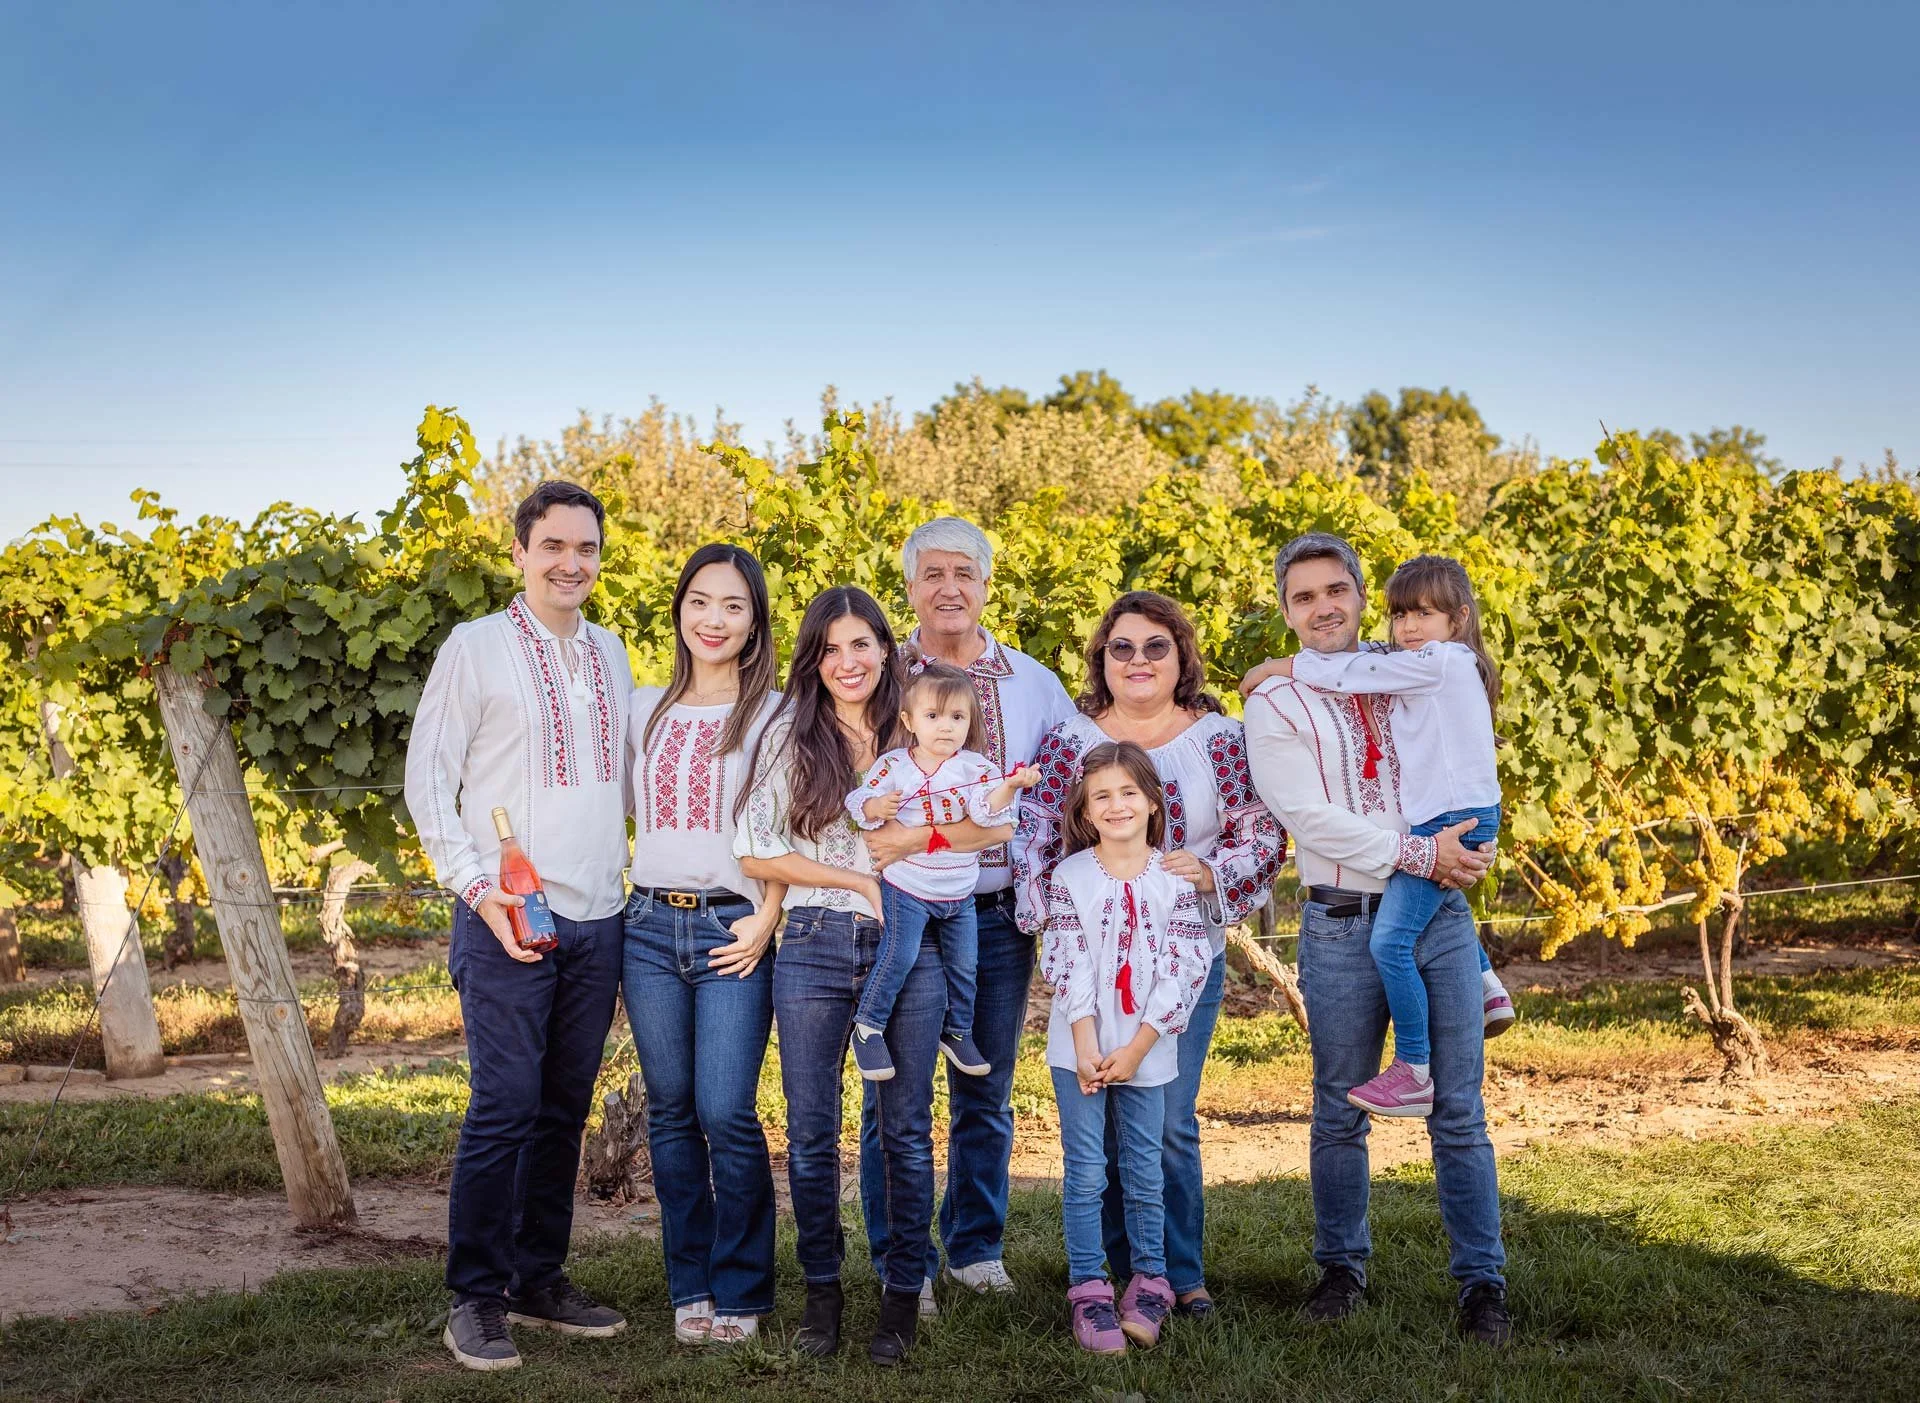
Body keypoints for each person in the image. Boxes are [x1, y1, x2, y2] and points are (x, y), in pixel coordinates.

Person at [1239, 531, 1512, 1346]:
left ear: (1362, 597)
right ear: (1286, 610)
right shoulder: (1274, 703)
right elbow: (1308, 816)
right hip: (1339, 920)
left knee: (1459, 1110)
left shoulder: (1415, 672)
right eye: (1303, 596)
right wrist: (1423, 850)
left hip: (1435, 909)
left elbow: (1456, 767)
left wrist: (1455, 846)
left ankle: (1482, 1283)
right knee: (1338, 1107)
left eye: (1336, 591)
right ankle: (1341, 1268)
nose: (1323, 607)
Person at [405, 481, 635, 1373]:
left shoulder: (612, 653)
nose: (571, 563)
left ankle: (539, 1279)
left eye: (586, 548)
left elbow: (623, 781)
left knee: (561, 1110)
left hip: (598, 917)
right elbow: (429, 779)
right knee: (502, 1105)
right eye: (554, 546)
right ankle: (476, 1295)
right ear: (521, 551)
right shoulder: (477, 648)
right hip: (504, 917)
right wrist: (472, 886)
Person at [1014, 590, 1285, 1319]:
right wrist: (1046, 903)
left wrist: (1212, 872)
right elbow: (1036, 824)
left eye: (1155, 646)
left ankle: (1177, 1273)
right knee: (1097, 1109)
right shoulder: (1071, 738)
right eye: (1122, 647)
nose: (1138, 660)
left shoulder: (1220, 739)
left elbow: (1260, 833)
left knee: (1164, 1113)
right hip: (1093, 955)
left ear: (1181, 657)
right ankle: (1109, 1271)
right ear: (1102, 658)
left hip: (1181, 951)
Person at [859, 516, 1077, 1301]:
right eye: (933, 574)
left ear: (987, 585)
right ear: (911, 587)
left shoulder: (1034, 682)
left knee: (985, 1083)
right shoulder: (882, 679)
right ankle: (900, 1259)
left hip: (997, 915)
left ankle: (975, 1244)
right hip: (910, 907)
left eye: (965, 573)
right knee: (898, 1092)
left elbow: (1053, 796)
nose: (949, 588)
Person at [734, 586, 944, 1366]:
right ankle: (822, 1291)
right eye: (830, 648)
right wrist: (858, 882)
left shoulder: (923, 727)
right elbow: (754, 848)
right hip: (819, 940)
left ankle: (900, 1296)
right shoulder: (794, 735)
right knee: (813, 1130)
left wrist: (921, 842)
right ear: (813, 661)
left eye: (862, 644)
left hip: (912, 941)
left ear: (888, 649)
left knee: (907, 1129)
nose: (847, 661)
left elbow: (979, 822)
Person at [1264, 554, 1512, 1117]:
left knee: (1390, 942)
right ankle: (1485, 981)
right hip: (1449, 820)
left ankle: (1414, 1069)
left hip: (1452, 820)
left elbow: (1350, 670)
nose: (1409, 628)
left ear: (1461, 618)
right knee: (1431, 894)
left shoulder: (1439, 661)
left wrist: (1281, 666)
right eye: (1401, 616)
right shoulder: (1424, 660)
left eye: (1424, 614)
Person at [620, 543, 784, 1345]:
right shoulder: (643, 706)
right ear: (679, 609)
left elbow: (801, 819)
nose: (713, 619)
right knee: (673, 1112)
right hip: (647, 926)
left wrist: (771, 912)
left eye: (733, 606)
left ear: (754, 624)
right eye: (700, 601)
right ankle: (691, 1282)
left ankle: (745, 1287)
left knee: (726, 1109)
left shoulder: (776, 713)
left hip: (734, 927)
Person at [1043, 741, 1213, 1355]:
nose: (1117, 806)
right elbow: (1068, 960)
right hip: (1080, 1050)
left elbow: (1186, 964)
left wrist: (1139, 1048)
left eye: (1129, 793)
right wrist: (1087, 1046)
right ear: (1085, 811)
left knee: (1145, 1171)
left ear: (1152, 802)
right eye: (1102, 796)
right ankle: (1089, 1288)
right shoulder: (1071, 877)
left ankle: (1151, 1282)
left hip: (1149, 1051)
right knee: (1087, 1173)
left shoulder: (1174, 877)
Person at [844, 662, 1041, 1082]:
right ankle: (868, 1026)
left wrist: (1010, 786)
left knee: (966, 965)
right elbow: (857, 800)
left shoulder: (976, 770)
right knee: (899, 955)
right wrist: (875, 808)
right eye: (933, 717)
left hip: (958, 892)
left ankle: (957, 1031)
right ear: (909, 721)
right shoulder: (894, 764)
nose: (946, 727)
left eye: (957, 717)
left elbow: (990, 817)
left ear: (970, 722)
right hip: (908, 885)